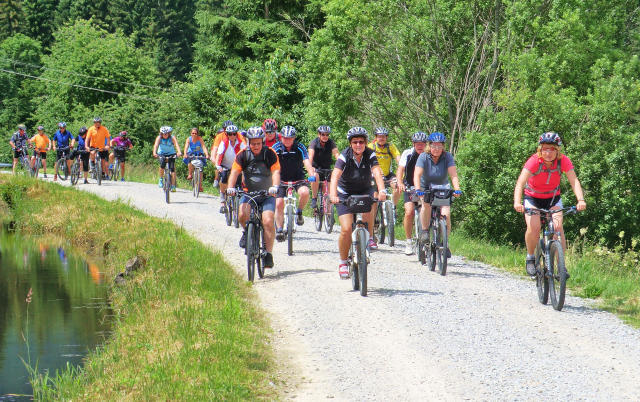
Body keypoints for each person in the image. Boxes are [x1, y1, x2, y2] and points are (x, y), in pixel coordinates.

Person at [513, 132, 587, 276]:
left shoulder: (563, 161)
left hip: (553, 198)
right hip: (533, 198)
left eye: (552, 149)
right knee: (534, 228)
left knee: (558, 228)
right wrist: (517, 202)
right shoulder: (534, 161)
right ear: (540, 149)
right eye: (545, 149)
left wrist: (581, 200)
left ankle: (561, 266)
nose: (548, 152)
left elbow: (574, 181)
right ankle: (530, 257)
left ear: (557, 150)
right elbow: (520, 183)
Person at [330, 127, 387, 278]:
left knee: (373, 199)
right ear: (350, 143)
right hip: (345, 193)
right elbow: (335, 176)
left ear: (366, 143)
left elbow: (377, 172)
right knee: (346, 229)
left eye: (361, 142)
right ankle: (343, 262)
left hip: (364, 189)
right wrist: (333, 194)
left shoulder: (370, 154)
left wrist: (382, 190)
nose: (358, 145)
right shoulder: (344, 155)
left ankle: (369, 236)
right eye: (355, 142)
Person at [226, 126, 280, 268]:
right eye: (253, 143)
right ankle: (246, 232)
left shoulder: (270, 153)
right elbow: (234, 172)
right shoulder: (243, 155)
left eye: (258, 143)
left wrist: (275, 186)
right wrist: (230, 187)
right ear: (249, 142)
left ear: (263, 142)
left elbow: (275, 172)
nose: (256, 146)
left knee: (268, 221)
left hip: (267, 194)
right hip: (248, 193)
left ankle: (268, 254)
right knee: (241, 215)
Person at [413, 132, 462, 258]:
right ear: (429, 146)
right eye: (434, 146)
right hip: (426, 187)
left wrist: (457, 189)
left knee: (446, 214)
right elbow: (417, 175)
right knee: (426, 205)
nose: (436, 149)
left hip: (442, 187)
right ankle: (425, 231)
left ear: (443, 147)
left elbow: (453, 175)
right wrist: (418, 189)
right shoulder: (423, 156)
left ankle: (444, 243)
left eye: (439, 146)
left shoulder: (447, 157)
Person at [272, 125, 315, 241]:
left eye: (290, 138)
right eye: (285, 138)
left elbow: (306, 161)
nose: (287, 140)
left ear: (294, 138)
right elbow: (269, 163)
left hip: (297, 178)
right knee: (278, 203)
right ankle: (279, 229)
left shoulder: (300, 147)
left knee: (305, 192)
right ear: (281, 137)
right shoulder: (276, 147)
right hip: (281, 179)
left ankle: (299, 212)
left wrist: (311, 174)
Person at [396, 131, 428, 255]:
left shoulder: (429, 154)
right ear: (413, 144)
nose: (420, 146)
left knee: (427, 212)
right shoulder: (407, 153)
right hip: (410, 186)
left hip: (424, 188)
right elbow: (400, 169)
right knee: (409, 212)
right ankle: (408, 241)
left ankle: (427, 238)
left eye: (422, 144)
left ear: (426, 144)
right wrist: (400, 182)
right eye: (417, 143)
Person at [368, 127, 401, 231]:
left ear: (386, 137)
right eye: (379, 136)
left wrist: (402, 169)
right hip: (374, 175)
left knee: (398, 186)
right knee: (374, 199)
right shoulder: (371, 146)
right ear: (376, 137)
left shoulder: (390, 146)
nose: (381, 138)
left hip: (387, 175)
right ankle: (373, 223)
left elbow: (399, 159)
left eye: (383, 136)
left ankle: (393, 207)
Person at [215, 124, 246, 212]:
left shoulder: (240, 142)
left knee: (240, 182)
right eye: (230, 134)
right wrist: (218, 165)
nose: (232, 136)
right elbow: (219, 155)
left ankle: (240, 199)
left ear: (236, 134)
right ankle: (222, 201)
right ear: (227, 135)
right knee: (224, 178)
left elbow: (245, 154)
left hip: (237, 166)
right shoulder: (224, 143)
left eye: (234, 134)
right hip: (225, 165)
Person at [308, 125, 339, 209]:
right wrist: (310, 168)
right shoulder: (314, 142)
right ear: (319, 134)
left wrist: (341, 165)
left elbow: (336, 154)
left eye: (327, 134)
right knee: (315, 176)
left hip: (327, 169)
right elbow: (310, 156)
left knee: (328, 193)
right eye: (323, 134)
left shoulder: (331, 142)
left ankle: (328, 213)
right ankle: (314, 198)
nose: (325, 136)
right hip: (316, 168)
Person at [152, 126, 182, 191]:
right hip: (162, 153)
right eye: (163, 134)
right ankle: (161, 179)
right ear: (161, 134)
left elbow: (176, 145)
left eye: (166, 133)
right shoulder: (159, 138)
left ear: (169, 133)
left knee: (172, 169)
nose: (165, 135)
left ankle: (173, 186)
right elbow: (156, 145)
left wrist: (179, 152)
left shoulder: (172, 138)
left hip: (171, 153)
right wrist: (154, 152)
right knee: (162, 165)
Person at [211, 120, 237, 187]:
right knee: (218, 165)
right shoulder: (220, 136)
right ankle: (216, 179)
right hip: (220, 154)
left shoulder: (236, 136)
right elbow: (215, 149)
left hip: (231, 155)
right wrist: (213, 158)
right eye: (225, 129)